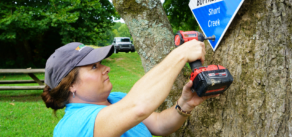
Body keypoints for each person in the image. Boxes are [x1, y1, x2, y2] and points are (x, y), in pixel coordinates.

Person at [41, 40, 218, 136]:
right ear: (70, 85)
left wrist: (184, 105)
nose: (106, 68)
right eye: (94, 67)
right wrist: (180, 54)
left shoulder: (116, 99)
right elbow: (138, 107)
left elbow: (158, 124)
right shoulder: (74, 126)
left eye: (101, 63)